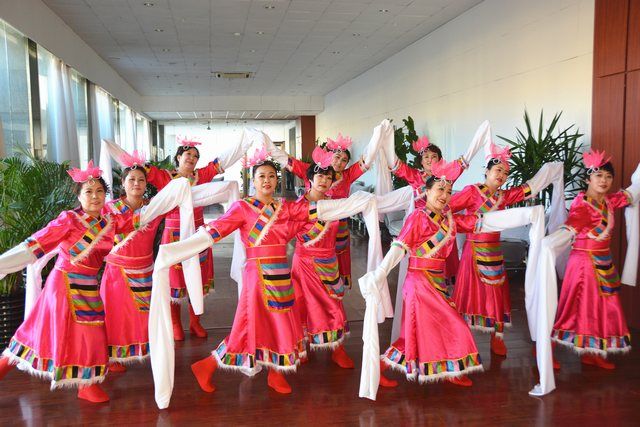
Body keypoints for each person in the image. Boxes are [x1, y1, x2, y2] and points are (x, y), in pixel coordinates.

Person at [0, 162, 135, 403]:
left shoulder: (110, 222)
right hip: (63, 285)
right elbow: (36, 244)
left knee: (91, 333)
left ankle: (86, 383)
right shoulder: (68, 220)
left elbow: (138, 219)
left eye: (99, 191)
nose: (95, 197)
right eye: (88, 192)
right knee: (42, 332)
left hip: (89, 285)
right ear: (79, 195)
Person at [102, 135, 251, 341]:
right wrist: (112, 148)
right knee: (174, 280)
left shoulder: (201, 175)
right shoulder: (164, 177)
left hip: (198, 235)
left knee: (198, 276)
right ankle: (175, 323)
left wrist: (245, 142)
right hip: (173, 235)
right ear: (178, 157)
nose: (192, 158)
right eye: (188, 154)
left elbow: (222, 161)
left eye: (195, 156)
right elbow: (137, 167)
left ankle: (195, 321)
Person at [361, 159, 483, 387]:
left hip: (436, 282)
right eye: (440, 189)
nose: (444, 195)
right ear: (427, 191)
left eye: (448, 191)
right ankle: (378, 369)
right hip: (418, 283)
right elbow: (399, 247)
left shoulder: (450, 220)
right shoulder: (418, 217)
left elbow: (478, 222)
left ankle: (450, 369)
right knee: (450, 325)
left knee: (426, 331)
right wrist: (381, 272)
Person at [448, 141, 556, 356]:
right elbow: (446, 210)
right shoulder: (471, 192)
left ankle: (497, 337)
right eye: (498, 170)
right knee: (468, 296)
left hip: (494, 252)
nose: (502, 175)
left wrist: (550, 171)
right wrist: (473, 223)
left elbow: (525, 190)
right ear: (487, 171)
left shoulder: (503, 197)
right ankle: (459, 340)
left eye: (506, 173)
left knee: (497, 295)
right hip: (473, 252)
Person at [549, 151, 640, 369]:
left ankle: (592, 351)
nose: (604, 181)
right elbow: (570, 227)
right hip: (583, 264)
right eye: (598, 176)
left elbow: (631, 193)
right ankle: (544, 350)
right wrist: (551, 243)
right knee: (572, 309)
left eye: (608, 177)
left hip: (603, 262)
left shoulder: (609, 201)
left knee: (601, 308)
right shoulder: (582, 204)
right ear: (587, 179)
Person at [268, 124, 386, 289]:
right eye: (337, 157)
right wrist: (269, 147)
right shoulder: (311, 170)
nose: (339, 162)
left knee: (336, 259)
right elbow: (288, 161)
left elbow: (367, 160)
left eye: (344, 160)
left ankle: (334, 286)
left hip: (338, 225)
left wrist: (378, 137)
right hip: (312, 224)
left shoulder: (347, 175)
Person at [290, 147, 353, 368]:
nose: (324, 181)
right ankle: (301, 346)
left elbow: (341, 237)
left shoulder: (335, 205)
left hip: (329, 263)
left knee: (333, 304)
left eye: (328, 177)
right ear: (310, 178)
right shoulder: (298, 206)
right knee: (303, 305)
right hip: (305, 263)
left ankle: (337, 348)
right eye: (320, 176)